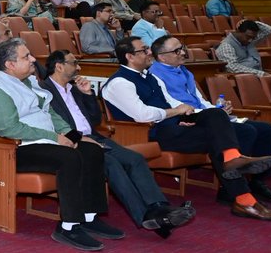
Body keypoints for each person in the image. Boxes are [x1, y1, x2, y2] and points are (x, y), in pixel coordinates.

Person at [102, 36, 271, 222]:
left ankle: (236, 175)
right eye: (144, 50)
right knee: (220, 139)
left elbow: (173, 103)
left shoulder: (151, 77)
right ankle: (243, 196)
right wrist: (175, 112)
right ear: (130, 56)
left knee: (219, 117)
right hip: (151, 134)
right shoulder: (119, 83)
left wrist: (184, 114)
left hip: (173, 127)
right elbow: (142, 115)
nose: (149, 53)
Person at [0, 39, 122, 250]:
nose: (33, 60)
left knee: (91, 150)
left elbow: (51, 113)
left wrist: (74, 136)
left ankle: (89, 217)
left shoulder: (29, 82)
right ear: (10, 64)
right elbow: (10, 129)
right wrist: (56, 138)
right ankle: (69, 226)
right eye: (26, 56)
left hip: (44, 141)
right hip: (15, 149)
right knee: (69, 157)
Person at [41, 50, 195, 237]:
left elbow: (95, 120)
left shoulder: (74, 88)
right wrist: (81, 138)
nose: (79, 67)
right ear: (59, 66)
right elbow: (51, 124)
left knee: (135, 159)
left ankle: (160, 208)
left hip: (94, 136)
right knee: (112, 165)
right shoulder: (44, 91)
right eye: (74, 63)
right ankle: (146, 217)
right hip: (73, 142)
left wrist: (88, 94)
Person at [149, 34, 271, 208]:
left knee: (266, 130)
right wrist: (212, 113)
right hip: (183, 117)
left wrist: (216, 109)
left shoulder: (184, 71)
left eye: (182, 48)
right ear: (162, 56)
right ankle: (230, 189)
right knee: (246, 131)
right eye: (177, 51)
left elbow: (198, 99)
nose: (183, 52)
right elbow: (172, 104)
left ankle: (257, 182)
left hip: (203, 114)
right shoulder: (154, 75)